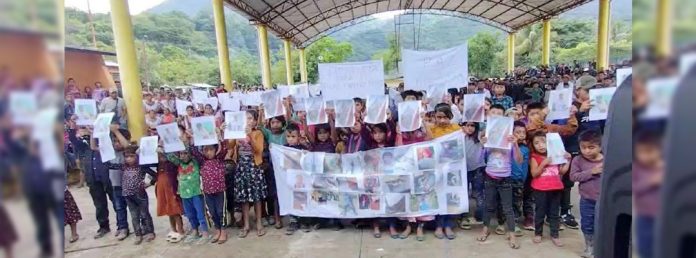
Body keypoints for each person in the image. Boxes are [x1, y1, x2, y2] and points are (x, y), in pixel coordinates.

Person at [477, 104, 522, 249]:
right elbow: (480, 159)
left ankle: (512, 233)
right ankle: (485, 228)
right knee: (488, 206)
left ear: (504, 117)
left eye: (499, 113)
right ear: (489, 116)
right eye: (493, 112)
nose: (495, 115)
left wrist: (515, 144)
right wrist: (483, 145)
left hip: (506, 179)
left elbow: (519, 160)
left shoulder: (510, 138)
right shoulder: (488, 138)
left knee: (508, 208)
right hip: (490, 177)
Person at [107, 130, 158, 245]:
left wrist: (149, 183)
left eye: (131, 156)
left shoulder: (141, 167)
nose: (129, 159)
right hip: (127, 195)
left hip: (140, 194)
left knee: (144, 213)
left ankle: (149, 231)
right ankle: (138, 234)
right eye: (127, 157)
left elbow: (154, 174)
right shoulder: (124, 167)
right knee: (134, 215)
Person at [424, 103, 461, 240]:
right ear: (435, 117)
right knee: (439, 197)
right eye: (439, 117)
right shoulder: (432, 128)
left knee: (450, 197)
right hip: (436, 169)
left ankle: (448, 225)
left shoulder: (456, 129)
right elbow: (428, 144)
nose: (442, 120)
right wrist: (426, 126)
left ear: (450, 117)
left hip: (452, 169)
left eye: (445, 117)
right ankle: (439, 226)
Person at [529, 131, 571, 247]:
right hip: (540, 189)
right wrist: (543, 164)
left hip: (556, 188)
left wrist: (568, 160)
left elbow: (562, 171)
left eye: (543, 142)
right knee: (540, 212)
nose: (540, 145)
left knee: (554, 212)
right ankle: (538, 233)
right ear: (533, 145)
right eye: (536, 143)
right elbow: (534, 174)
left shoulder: (556, 156)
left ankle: (555, 235)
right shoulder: (535, 157)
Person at [229, 110, 268, 238]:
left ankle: (259, 223)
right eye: (245, 118)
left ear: (255, 121)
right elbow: (229, 146)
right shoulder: (237, 133)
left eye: (250, 118)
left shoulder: (258, 133)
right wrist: (226, 131)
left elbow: (259, 149)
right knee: (244, 198)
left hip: (254, 167)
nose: (247, 120)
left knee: (257, 197)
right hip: (242, 167)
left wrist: (249, 135)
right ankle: (246, 225)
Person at [164, 144, 210, 244]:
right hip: (184, 194)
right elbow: (170, 156)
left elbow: (196, 153)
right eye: (181, 154)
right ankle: (195, 231)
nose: (183, 156)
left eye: (186, 153)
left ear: (190, 154)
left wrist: (187, 142)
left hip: (196, 193)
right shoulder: (179, 163)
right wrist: (163, 147)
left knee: (200, 214)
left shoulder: (195, 162)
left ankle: (205, 232)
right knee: (190, 214)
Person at [189, 128, 228, 243]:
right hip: (208, 191)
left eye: (211, 149)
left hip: (220, 190)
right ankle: (217, 229)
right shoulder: (202, 161)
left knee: (221, 211)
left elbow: (224, 148)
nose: (208, 152)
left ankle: (223, 230)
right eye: (206, 150)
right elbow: (194, 151)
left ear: (215, 150)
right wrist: (192, 139)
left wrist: (219, 135)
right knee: (212, 212)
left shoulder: (219, 158)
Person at [569, 129, 604, 257]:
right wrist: (591, 172)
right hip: (587, 199)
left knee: (602, 225)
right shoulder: (578, 160)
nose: (587, 151)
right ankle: (589, 247)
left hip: (604, 200)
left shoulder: (608, 160)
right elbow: (573, 177)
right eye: (583, 147)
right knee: (587, 224)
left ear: (601, 146)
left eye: (591, 147)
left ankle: (602, 247)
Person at [495, 121, 530, 236]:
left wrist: (523, 179)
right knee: (503, 202)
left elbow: (524, 165)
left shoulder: (525, 149)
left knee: (516, 202)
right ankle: (501, 223)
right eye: (517, 132)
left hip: (518, 180)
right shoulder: (505, 147)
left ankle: (514, 223)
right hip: (505, 178)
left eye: (523, 132)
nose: (521, 134)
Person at [632, 129, 664, 258]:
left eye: (650, 151)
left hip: (663, 216)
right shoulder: (637, 168)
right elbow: (634, 188)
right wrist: (651, 182)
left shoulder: (666, 167)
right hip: (644, 215)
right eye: (641, 152)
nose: (645, 156)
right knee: (645, 247)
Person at [284, 124, 312, 235]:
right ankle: (293, 221)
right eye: (288, 136)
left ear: (299, 137)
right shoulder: (283, 148)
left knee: (302, 198)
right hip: (290, 179)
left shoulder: (303, 149)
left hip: (301, 179)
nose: (290, 139)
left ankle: (304, 220)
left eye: (293, 136)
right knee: (292, 199)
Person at [459, 122, 485, 230]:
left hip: (478, 169)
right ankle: (464, 217)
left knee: (478, 193)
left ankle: (480, 215)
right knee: (463, 193)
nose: (470, 128)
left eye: (472, 125)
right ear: (462, 126)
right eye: (467, 125)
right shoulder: (459, 136)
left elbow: (489, 127)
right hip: (463, 169)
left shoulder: (479, 136)